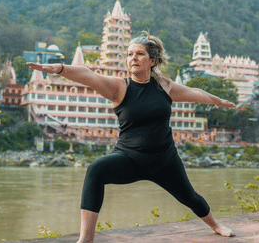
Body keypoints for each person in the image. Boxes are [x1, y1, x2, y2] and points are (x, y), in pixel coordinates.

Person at [27, 33, 235, 242]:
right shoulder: (119, 87)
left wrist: (218, 101)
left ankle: (215, 225)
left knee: (191, 198)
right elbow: (87, 75)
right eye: (130, 54)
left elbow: (195, 92)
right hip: (130, 158)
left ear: (152, 61)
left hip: (165, 160)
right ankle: (86, 240)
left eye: (139, 54)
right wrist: (61, 69)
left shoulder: (164, 86)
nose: (133, 58)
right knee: (96, 170)